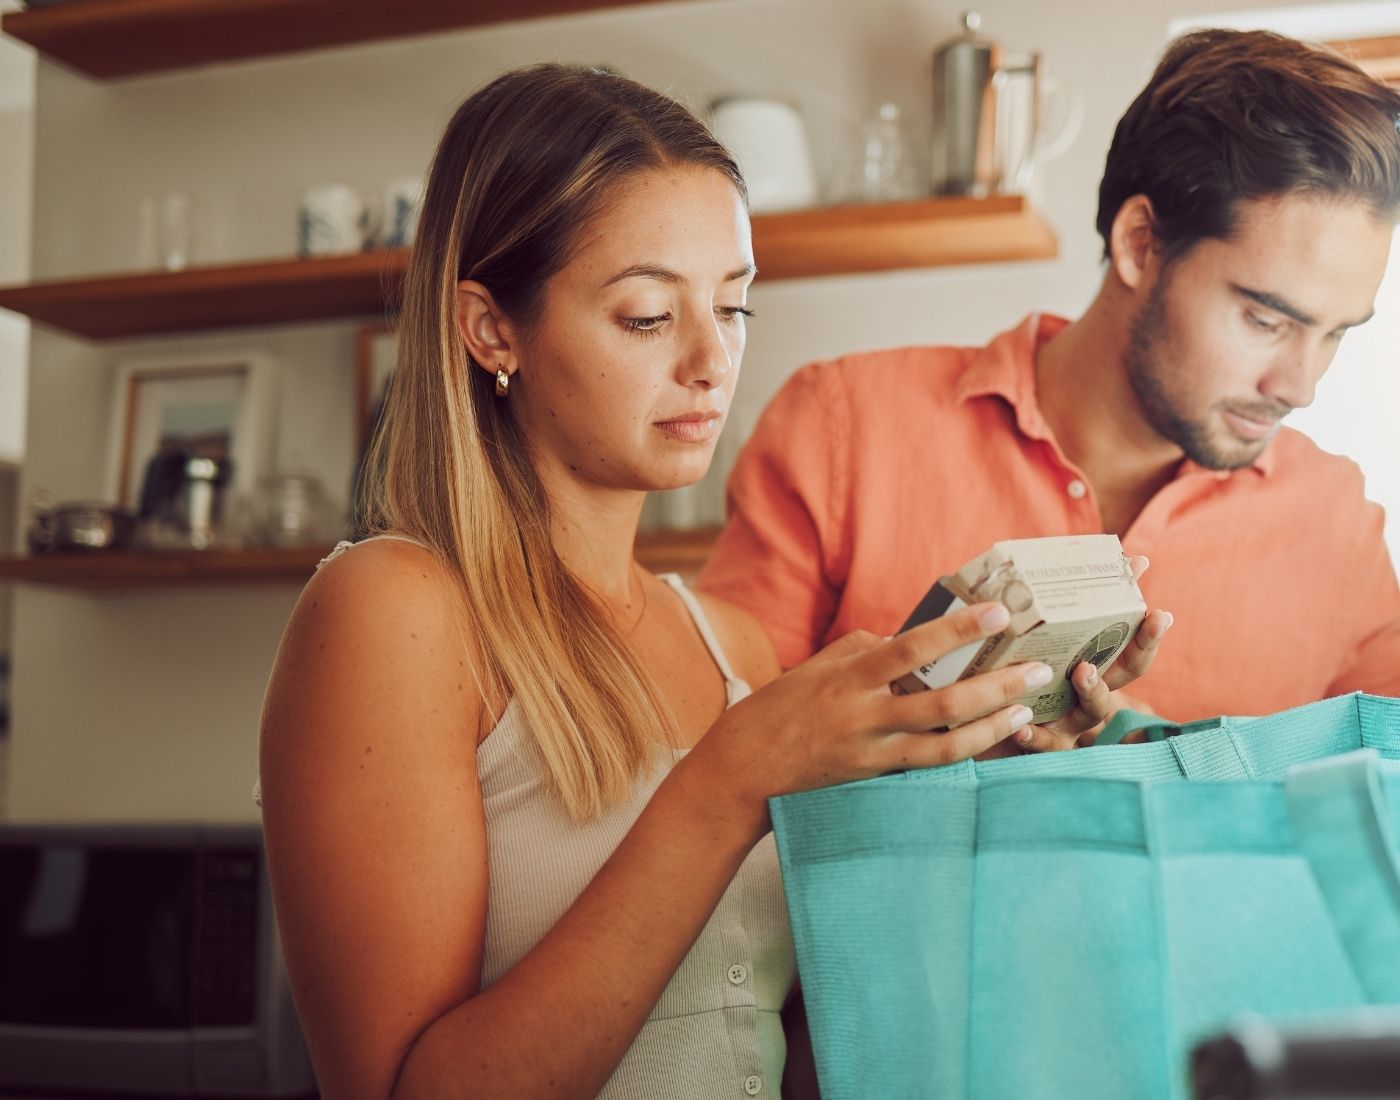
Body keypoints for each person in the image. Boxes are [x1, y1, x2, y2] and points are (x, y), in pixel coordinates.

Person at [256, 64, 1164, 1100]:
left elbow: (793, 1044)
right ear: (490, 328)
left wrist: (970, 756)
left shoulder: (729, 643)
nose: (710, 360)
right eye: (646, 315)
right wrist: (726, 782)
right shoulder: (393, 609)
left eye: (732, 306)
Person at [699, 28, 1400, 723]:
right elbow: (725, 752)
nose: (1300, 387)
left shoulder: (1338, 521)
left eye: (1335, 332)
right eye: (1266, 321)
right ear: (1139, 244)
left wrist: (1150, 760)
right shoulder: (843, 426)